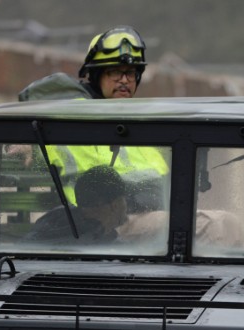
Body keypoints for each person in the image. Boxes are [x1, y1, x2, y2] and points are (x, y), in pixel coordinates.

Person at [11, 26, 170, 209]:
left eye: (131, 73)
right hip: (100, 221)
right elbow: (44, 136)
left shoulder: (135, 122)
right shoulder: (74, 112)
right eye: (116, 71)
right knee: (208, 226)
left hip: (149, 214)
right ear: (97, 74)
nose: (125, 80)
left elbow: (164, 181)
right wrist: (26, 143)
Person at [25, 165, 129, 244]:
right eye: (124, 199)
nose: (126, 205)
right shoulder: (92, 243)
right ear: (115, 205)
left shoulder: (54, 220)